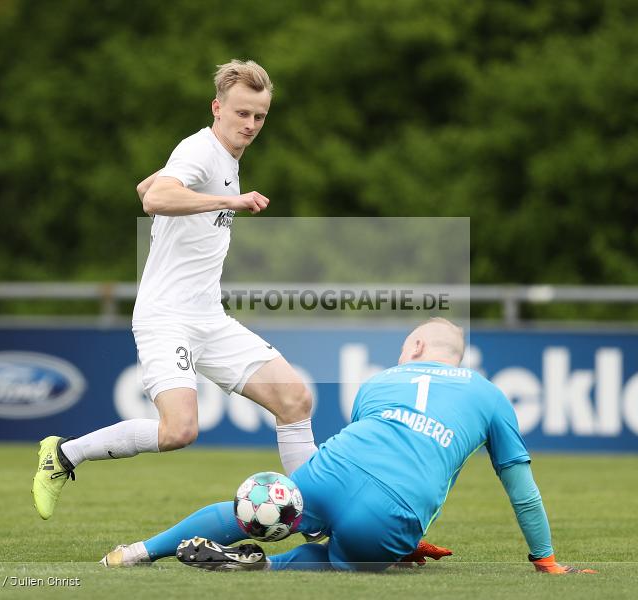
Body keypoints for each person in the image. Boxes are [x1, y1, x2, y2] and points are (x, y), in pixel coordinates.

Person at [32, 59, 316, 520]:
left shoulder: (220, 158)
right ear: (217, 108)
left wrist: (163, 181)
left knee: (294, 398)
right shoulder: (202, 151)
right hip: (166, 317)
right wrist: (230, 201)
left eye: (259, 116)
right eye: (241, 113)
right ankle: (63, 455)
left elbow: (149, 185)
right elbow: (154, 198)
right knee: (179, 430)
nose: (250, 124)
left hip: (209, 318)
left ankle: (316, 518)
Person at [99, 318, 596, 574]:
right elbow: (523, 491)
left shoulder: (380, 382)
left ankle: (136, 553)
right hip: (392, 512)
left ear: (417, 349)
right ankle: (265, 567)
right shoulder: (490, 396)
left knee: (260, 508)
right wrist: (544, 559)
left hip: (329, 472)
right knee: (349, 559)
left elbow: (368, 453)